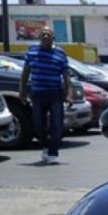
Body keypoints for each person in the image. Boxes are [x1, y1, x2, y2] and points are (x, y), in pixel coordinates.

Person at [18, 27, 72, 164]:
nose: (45, 35)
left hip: (55, 94)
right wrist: (22, 91)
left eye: (48, 34)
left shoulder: (60, 54)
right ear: (39, 38)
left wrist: (68, 94)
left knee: (57, 124)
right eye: (43, 34)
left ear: (53, 38)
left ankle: (53, 152)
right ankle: (46, 146)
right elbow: (25, 73)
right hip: (37, 94)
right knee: (38, 125)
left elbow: (66, 77)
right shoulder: (32, 52)